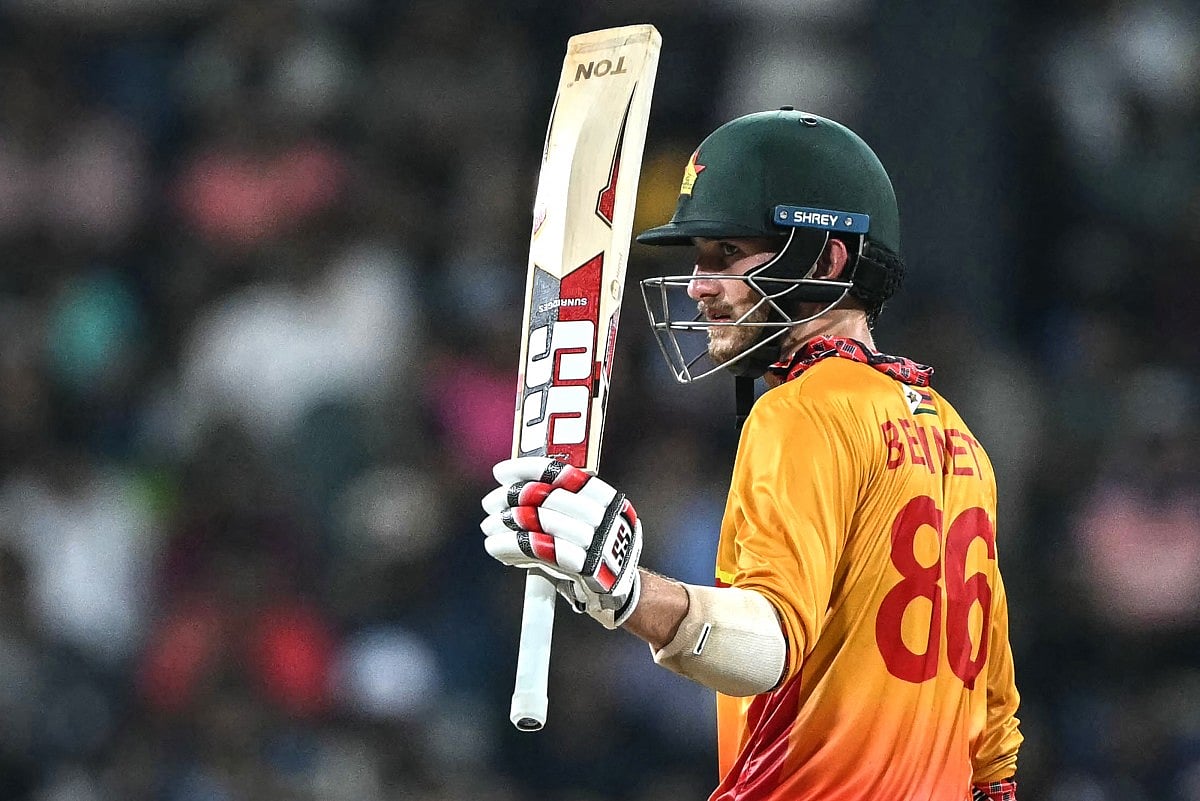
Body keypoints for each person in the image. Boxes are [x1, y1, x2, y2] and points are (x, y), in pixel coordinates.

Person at [480, 108, 1022, 801]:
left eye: (727, 255)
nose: (699, 285)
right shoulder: (958, 436)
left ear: (827, 258)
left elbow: (767, 646)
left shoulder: (801, 410)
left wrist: (625, 588)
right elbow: (994, 736)